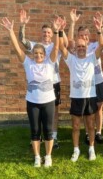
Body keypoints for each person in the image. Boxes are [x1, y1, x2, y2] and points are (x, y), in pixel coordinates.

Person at [1, 16, 61, 167]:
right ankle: (36, 157)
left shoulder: (50, 62)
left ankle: (47, 156)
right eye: (36, 54)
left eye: (41, 54)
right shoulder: (28, 63)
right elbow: (17, 48)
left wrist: (57, 31)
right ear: (33, 54)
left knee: (48, 130)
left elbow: (56, 48)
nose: (39, 56)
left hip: (48, 102)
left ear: (44, 55)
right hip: (32, 102)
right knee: (35, 131)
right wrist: (10, 31)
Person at [18, 10, 68, 149]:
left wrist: (60, 30)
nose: (46, 34)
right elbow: (22, 40)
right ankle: (37, 137)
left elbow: (65, 44)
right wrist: (22, 25)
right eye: (44, 32)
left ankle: (53, 136)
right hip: (38, 84)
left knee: (53, 112)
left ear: (52, 35)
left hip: (54, 82)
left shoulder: (55, 45)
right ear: (41, 34)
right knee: (37, 111)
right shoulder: (36, 46)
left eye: (48, 32)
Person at [59, 14, 103, 162]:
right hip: (76, 97)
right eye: (78, 46)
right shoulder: (71, 60)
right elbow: (61, 47)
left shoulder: (92, 57)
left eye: (83, 46)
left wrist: (99, 30)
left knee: (91, 125)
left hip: (90, 97)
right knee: (76, 126)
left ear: (86, 47)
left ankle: (91, 149)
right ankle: (76, 149)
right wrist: (59, 31)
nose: (80, 48)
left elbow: (102, 45)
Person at [68, 9, 103, 145]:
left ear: (89, 35)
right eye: (81, 35)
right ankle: (86, 132)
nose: (84, 37)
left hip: (98, 79)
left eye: (85, 34)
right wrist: (72, 23)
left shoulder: (95, 44)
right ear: (78, 36)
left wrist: (101, 26)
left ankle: (98, 132)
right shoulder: (78, 47)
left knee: (98, 108)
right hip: (85, 83)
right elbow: (68, 43)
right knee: (87, 110)